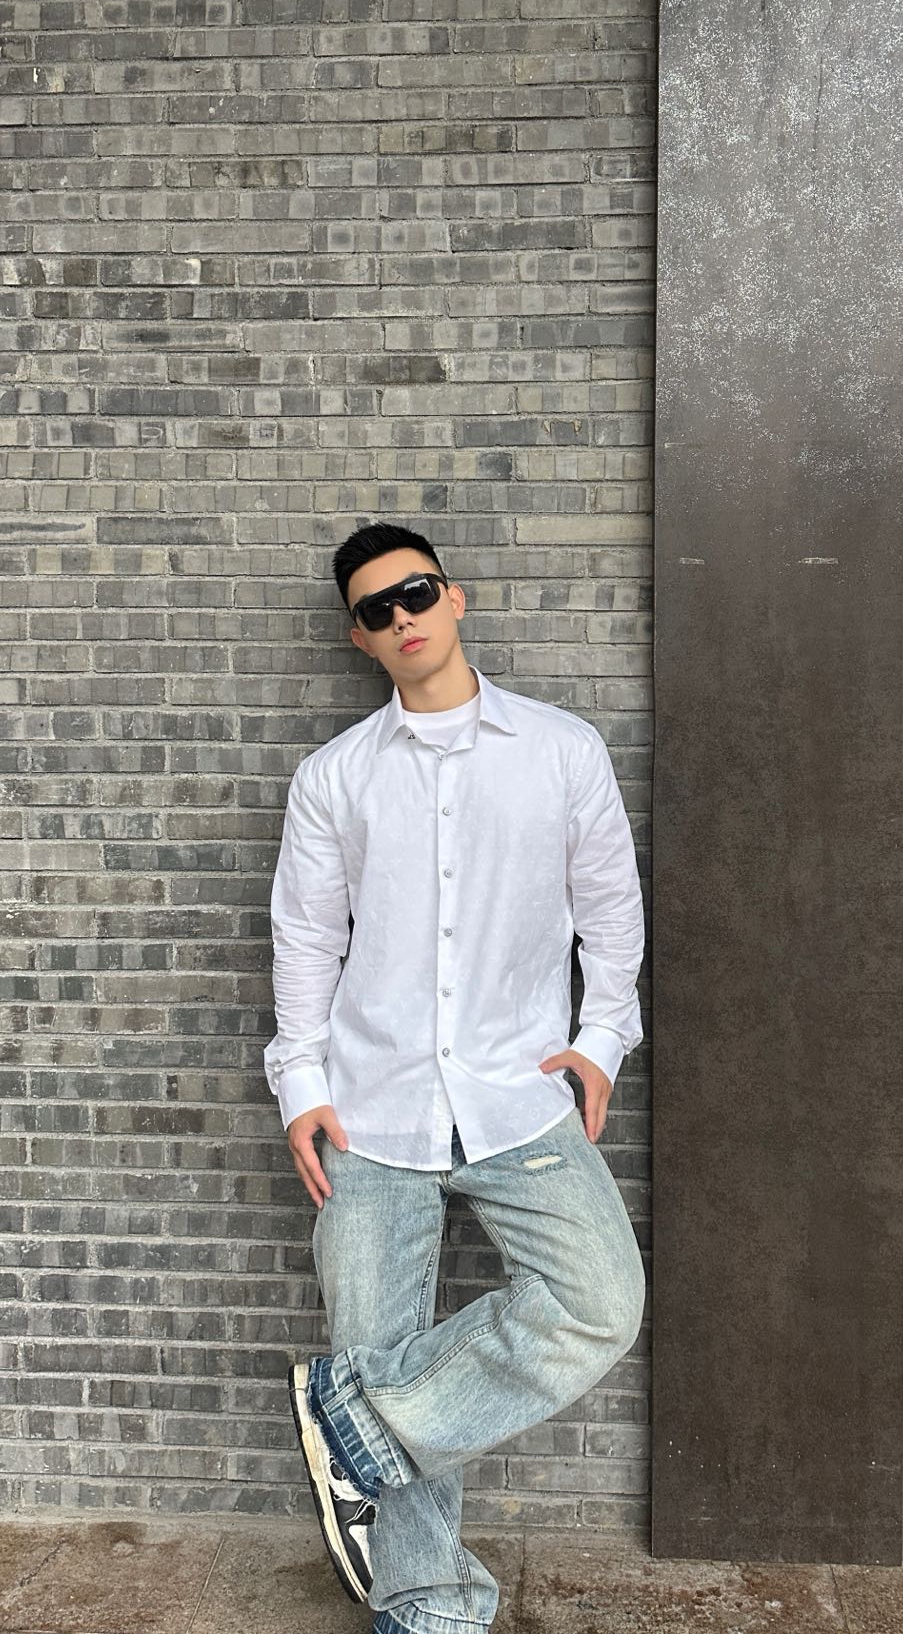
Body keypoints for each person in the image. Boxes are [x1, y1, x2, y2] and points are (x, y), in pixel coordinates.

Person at [265, 521, 646, 1634]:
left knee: (599, 1302)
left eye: (417, 593)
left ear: (455, 597)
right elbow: (306, 940)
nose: (403, 618)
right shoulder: (334, 777)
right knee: (381, 1351)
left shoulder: (561, 750)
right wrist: (301, 1083)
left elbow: (611, 911)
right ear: (359, 637)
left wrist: (601, 1040)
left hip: (519, 1095)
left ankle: (360, 1427)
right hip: (369, 1110)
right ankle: (426, 1606)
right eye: (376, 610)